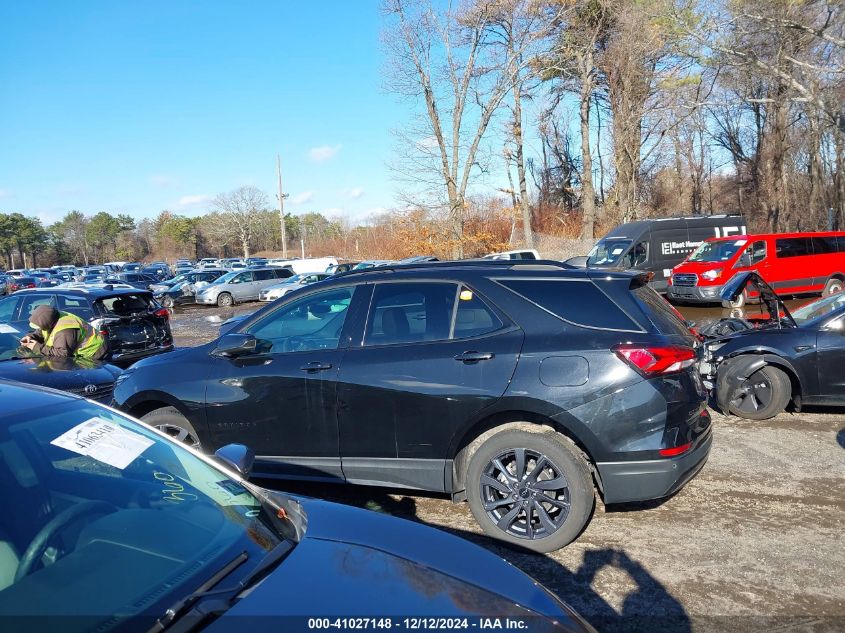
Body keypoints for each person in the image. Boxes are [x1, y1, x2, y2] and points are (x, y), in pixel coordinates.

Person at [20, 305, 108, 360]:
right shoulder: (53, 317)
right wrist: (31, 337)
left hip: (95, 354)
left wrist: (36, 347)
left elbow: (62, 354)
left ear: (47, 323)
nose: (38, 328)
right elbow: (41, 330)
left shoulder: (65, 331)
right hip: (83, 355)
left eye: (39, 326)